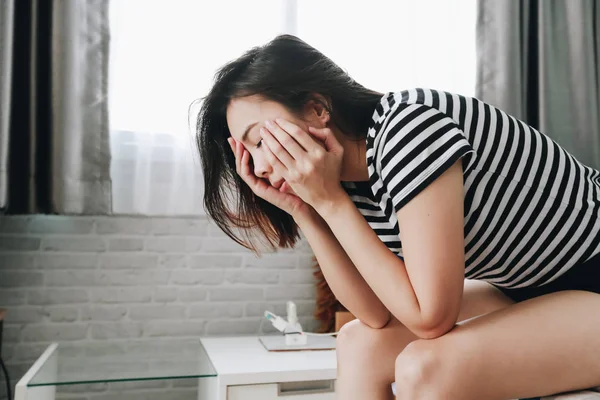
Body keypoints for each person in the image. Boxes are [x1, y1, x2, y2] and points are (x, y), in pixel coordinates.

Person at [196, 34, 600, 400]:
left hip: (591, 281)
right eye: (247, 154)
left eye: (261, 140)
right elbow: (375, 314)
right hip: (530, 287)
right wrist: (308, 209)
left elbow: (430, 318)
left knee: (425, 370)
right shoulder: (347, 177)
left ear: (318, 109)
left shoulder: (408, 129)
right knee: (357, 343)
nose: (261, 167)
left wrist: (332, 202)